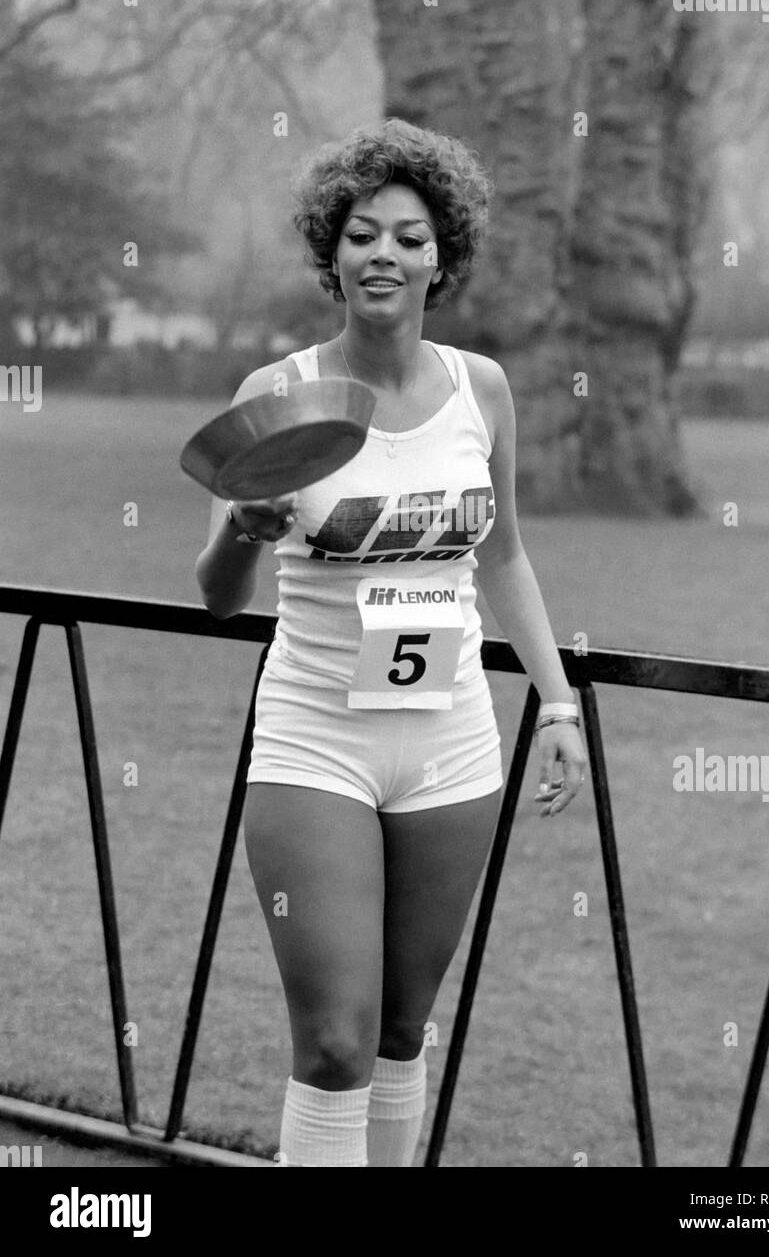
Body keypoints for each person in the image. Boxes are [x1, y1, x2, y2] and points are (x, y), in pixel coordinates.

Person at [195, 118, 588, 1168]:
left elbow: (503, 556)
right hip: (316, 739)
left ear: (442, 258)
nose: (385, 254)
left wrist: (556, 704)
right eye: (363, 233)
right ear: (332, 251)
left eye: (411, 238)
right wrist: (246, 527)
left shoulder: (481, 389)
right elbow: (219, 598)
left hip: (451, 742)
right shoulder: (276, 396)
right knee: (333, 1045)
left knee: (404, 1030)